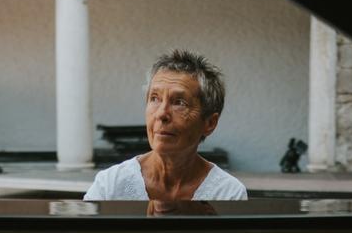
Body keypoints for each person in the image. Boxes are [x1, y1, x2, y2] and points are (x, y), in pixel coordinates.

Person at [84, 50, 247, 200]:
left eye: (179, 103)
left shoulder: (227, 194)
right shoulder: (110, 186)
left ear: (210, 123)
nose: (161, 114)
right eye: (154, 98)